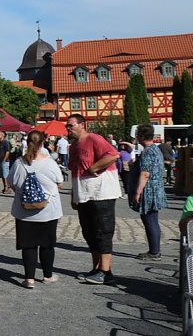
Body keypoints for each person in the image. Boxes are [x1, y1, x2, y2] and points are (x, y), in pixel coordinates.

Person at [67, 114, 120, 285]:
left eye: (71, 125)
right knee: (89, 232)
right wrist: (73, 194)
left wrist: (94, 167)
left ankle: (106, 271)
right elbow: (74, 171)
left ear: (82, 125)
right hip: (83, 194)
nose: (68, 129)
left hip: (101, 193)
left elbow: (113, 155)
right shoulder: (73, 146)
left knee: (103, 231)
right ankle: (97, 268)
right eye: (67, 126)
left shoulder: (94, 138)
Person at [7, 130, 63, 288]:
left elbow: (11, 183)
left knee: (28, 245)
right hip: (48, 210)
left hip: (25, 211)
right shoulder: (50, 163)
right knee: (47, 245)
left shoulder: (19, 163)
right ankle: (48, 275)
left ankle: (29, 279)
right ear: (43, 142)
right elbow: (59, 183)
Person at [130, 123, 168, 261]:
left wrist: (137, 192)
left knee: (149, 220)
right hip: (156, 187)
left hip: (149, 189)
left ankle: (154, 251)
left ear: (140, 136)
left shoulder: (147, 151)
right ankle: (154, 250)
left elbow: (145, 174)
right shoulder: (156, 149)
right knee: (152, 219)